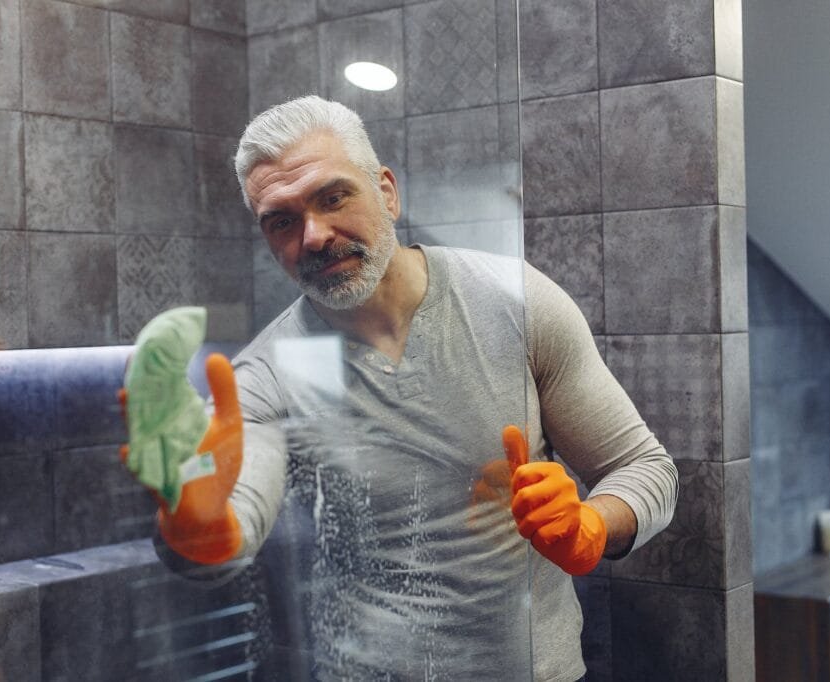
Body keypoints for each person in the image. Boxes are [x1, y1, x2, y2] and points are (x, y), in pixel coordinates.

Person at [123, 96, 678, 681]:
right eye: (281, 220)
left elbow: (644, 467)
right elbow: (230, 533)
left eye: (333, 197)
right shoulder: (265, 376)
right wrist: (195, 528)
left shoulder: (514, 303)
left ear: (386, 191)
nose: (313, 235)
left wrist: (591, 528)